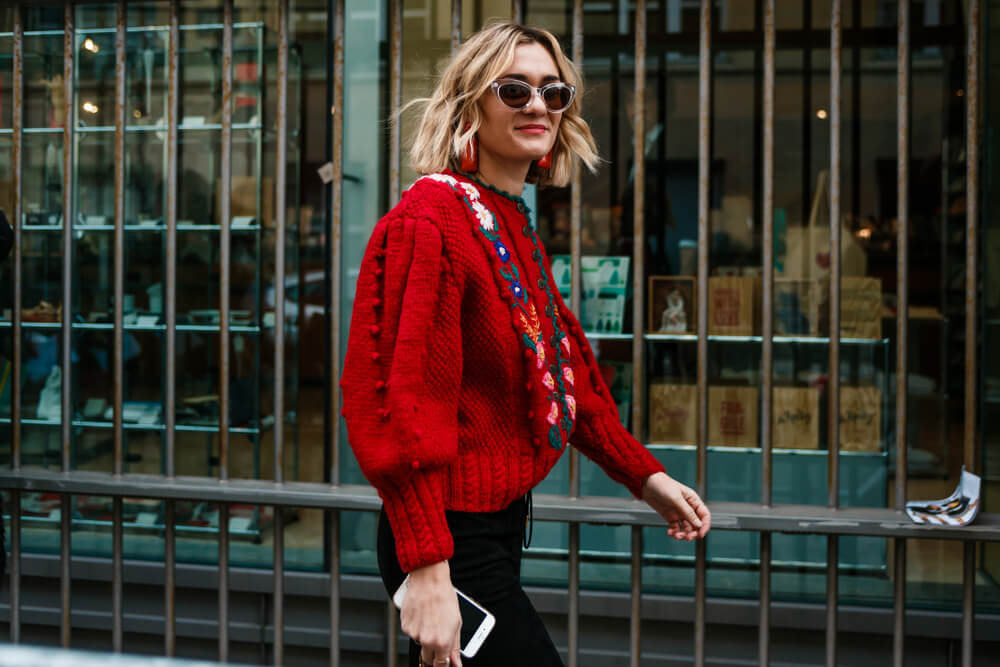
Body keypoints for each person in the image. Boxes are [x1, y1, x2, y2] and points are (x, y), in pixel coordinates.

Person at [341, 22, 711, 667]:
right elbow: (403, 405)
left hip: (493, 524)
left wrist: (644, 475)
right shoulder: (433, 219)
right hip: (447, 535)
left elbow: (562, 374)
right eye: (512, 89)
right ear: (469, 104)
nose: (537, 104)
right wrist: (428, 566)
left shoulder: (505, 218)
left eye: (552, 91)